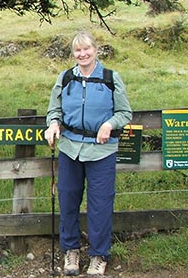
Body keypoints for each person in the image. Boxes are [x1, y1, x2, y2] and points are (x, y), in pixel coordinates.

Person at [44, 31, 132, 276]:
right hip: (70, 149)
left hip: (101, 152)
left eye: (86, 49)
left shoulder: (110, 78)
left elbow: (125, 113)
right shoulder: (65, 78)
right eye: (77, 51)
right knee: (68, 200)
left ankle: (98, 255)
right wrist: (53, 125)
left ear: (96, 50)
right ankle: (70, 250)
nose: (82, 54)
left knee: (100, 204)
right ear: (74, 54)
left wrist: (109, 124)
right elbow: (54, 110)